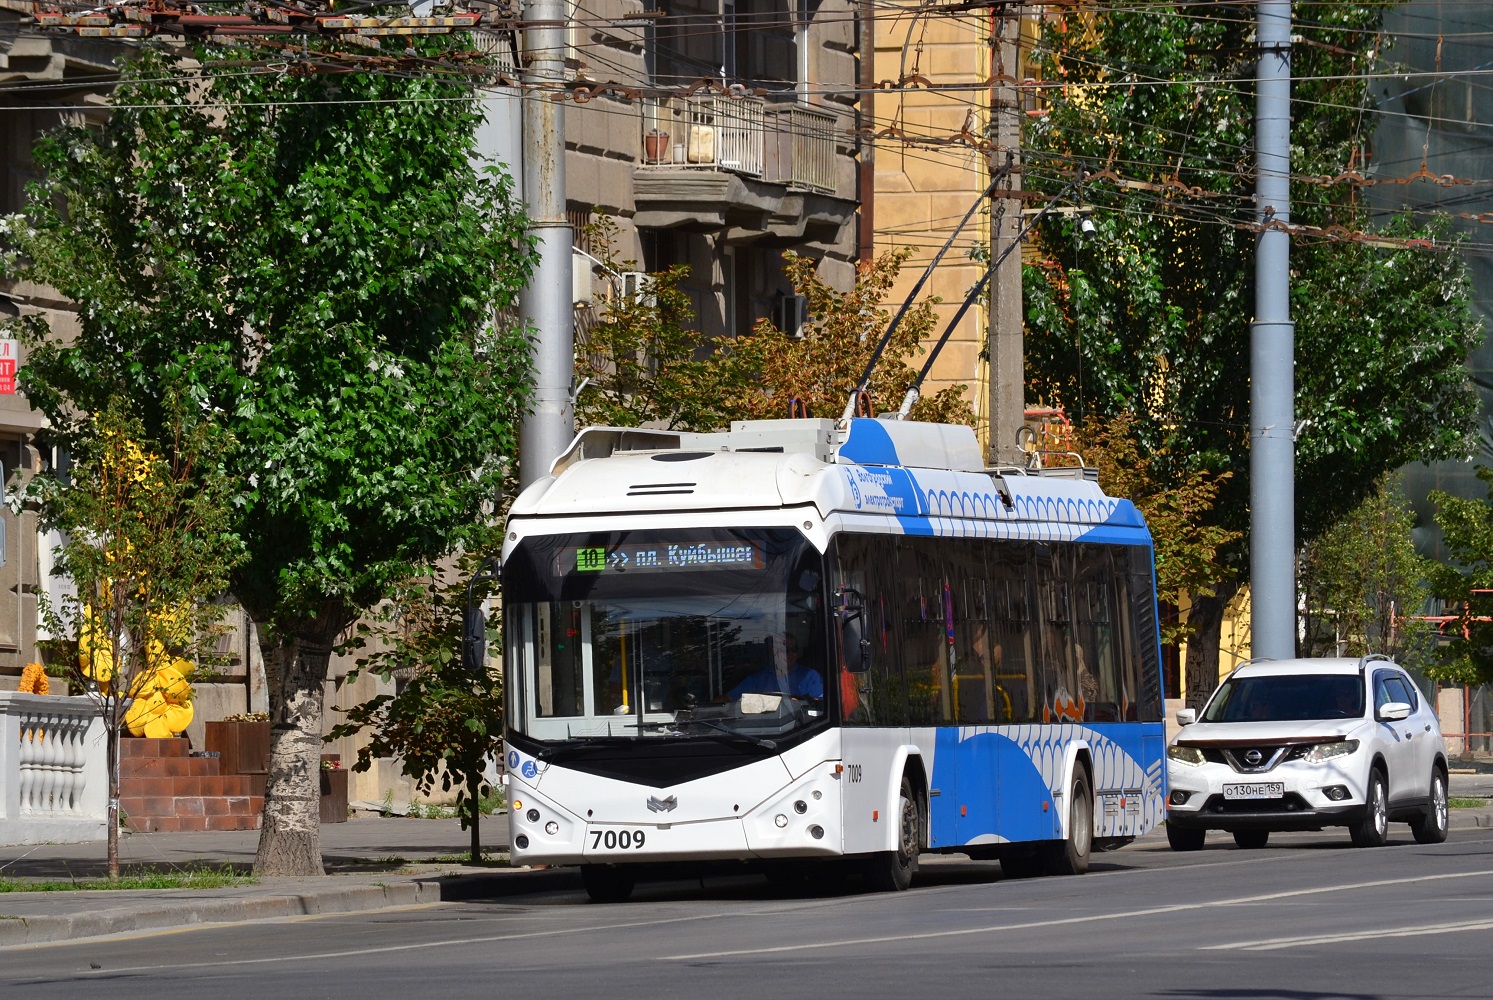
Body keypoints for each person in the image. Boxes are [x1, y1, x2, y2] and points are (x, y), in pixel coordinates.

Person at [729, 632, 824, 700]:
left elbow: (820, 705)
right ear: (774, 653)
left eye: (794, 649)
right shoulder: (758, 678)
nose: (790, 653)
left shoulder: (810, 676)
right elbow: (728, 698)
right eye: (786, 650)